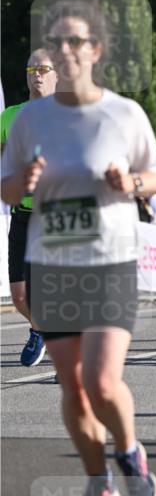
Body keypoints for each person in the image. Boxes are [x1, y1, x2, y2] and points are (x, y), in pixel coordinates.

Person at [1, 0, 156, 496]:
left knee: (100, 380)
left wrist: (133, 182)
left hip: (109, 262)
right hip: (52, 261)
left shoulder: (123, 112)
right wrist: (21, 183)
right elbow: (6, 189)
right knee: (71, 385)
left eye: (77, 42)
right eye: (57, 43)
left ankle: (130, 452)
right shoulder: (29, 120)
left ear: (95, 50)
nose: (66, 51)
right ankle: (98, 482)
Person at [1, 49, 58, 366]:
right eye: (32, 68)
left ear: (56, 75)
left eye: (43, 68)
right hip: (22, 215)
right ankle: (40, 329)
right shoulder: (9, 115)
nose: (37, 73)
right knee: (20, 294)